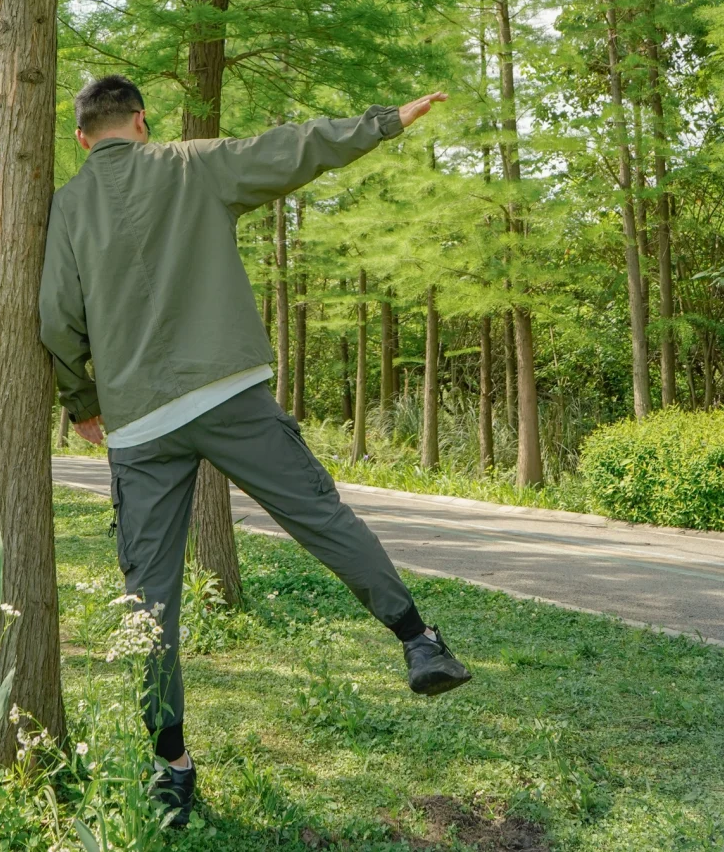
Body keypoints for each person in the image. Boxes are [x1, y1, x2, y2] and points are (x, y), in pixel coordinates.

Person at [39, 76, 471, 826]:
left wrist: (83, 404)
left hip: (139, 425)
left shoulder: (68, 206)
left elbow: (56, 317)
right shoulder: (190, 163)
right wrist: (385, 119)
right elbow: (292, 150)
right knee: (319, 513)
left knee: (151, 598)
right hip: (229, 390)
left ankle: (170, 766)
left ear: (82, 136)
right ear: (142, 122)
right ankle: (418, 640)